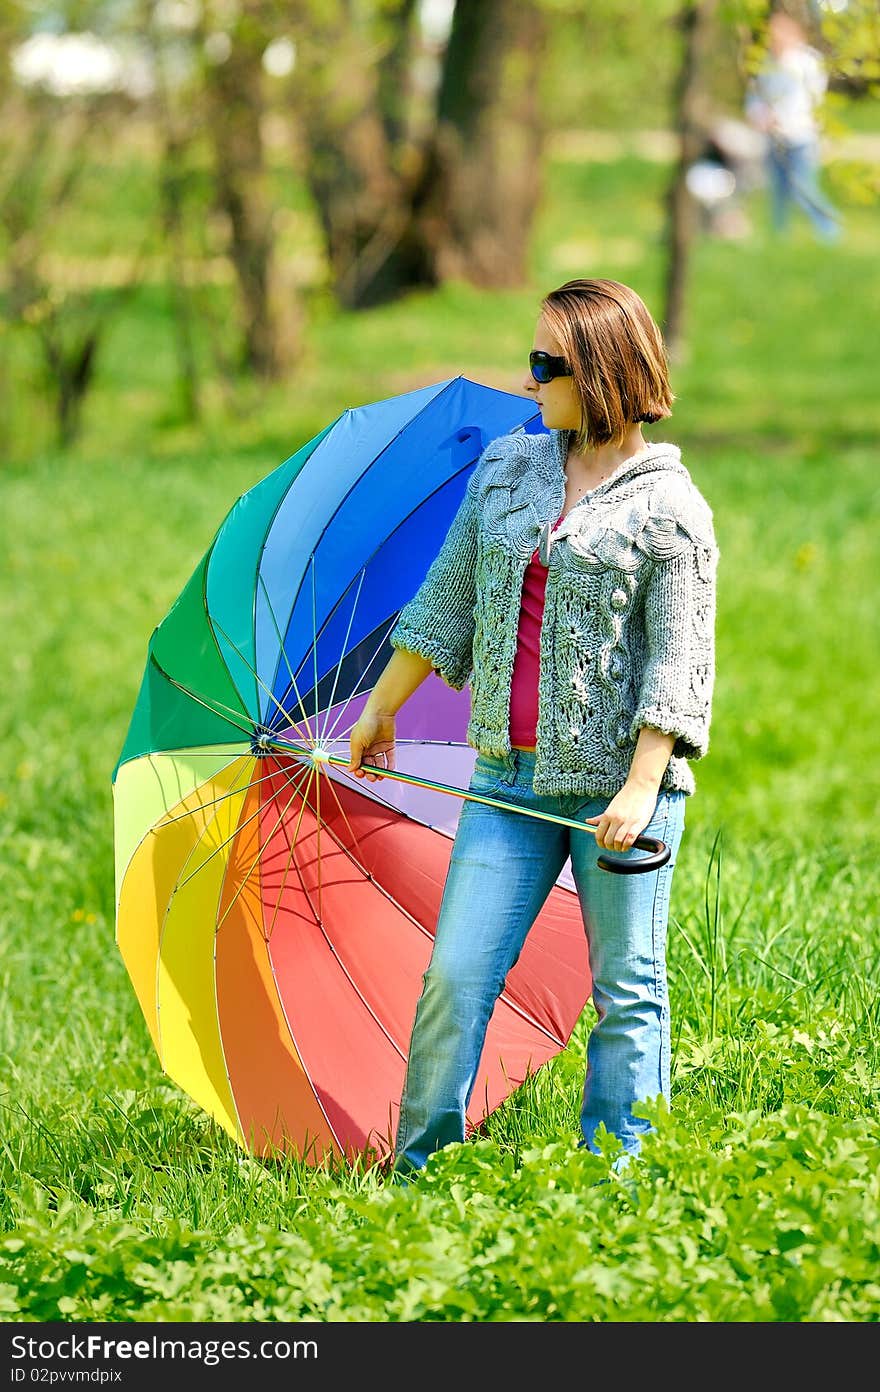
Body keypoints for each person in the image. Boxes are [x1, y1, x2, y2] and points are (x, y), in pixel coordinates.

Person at [348, 278, 720, 1180]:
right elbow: (444, 603)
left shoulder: (671, 510)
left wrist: (640, 789)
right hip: (507, 783)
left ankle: (621, 1178)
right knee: (456, 980)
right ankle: (420, 1169)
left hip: (617, 797)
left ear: (601, 374)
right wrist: (381, 708)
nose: (529, 381)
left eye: (546, 365)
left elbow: (678, 666)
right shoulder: (509, 472)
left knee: (628, 993)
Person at [744, 10, 842, 242]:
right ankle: (780, 236)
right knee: (778, 189)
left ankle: (829, 229)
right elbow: (755, 97)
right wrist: (759, 116)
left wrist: (781, 117)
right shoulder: (766, 63)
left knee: (803, 188)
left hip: (800, 136)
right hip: (774, 137)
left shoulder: (808, 62)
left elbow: (811, 101)